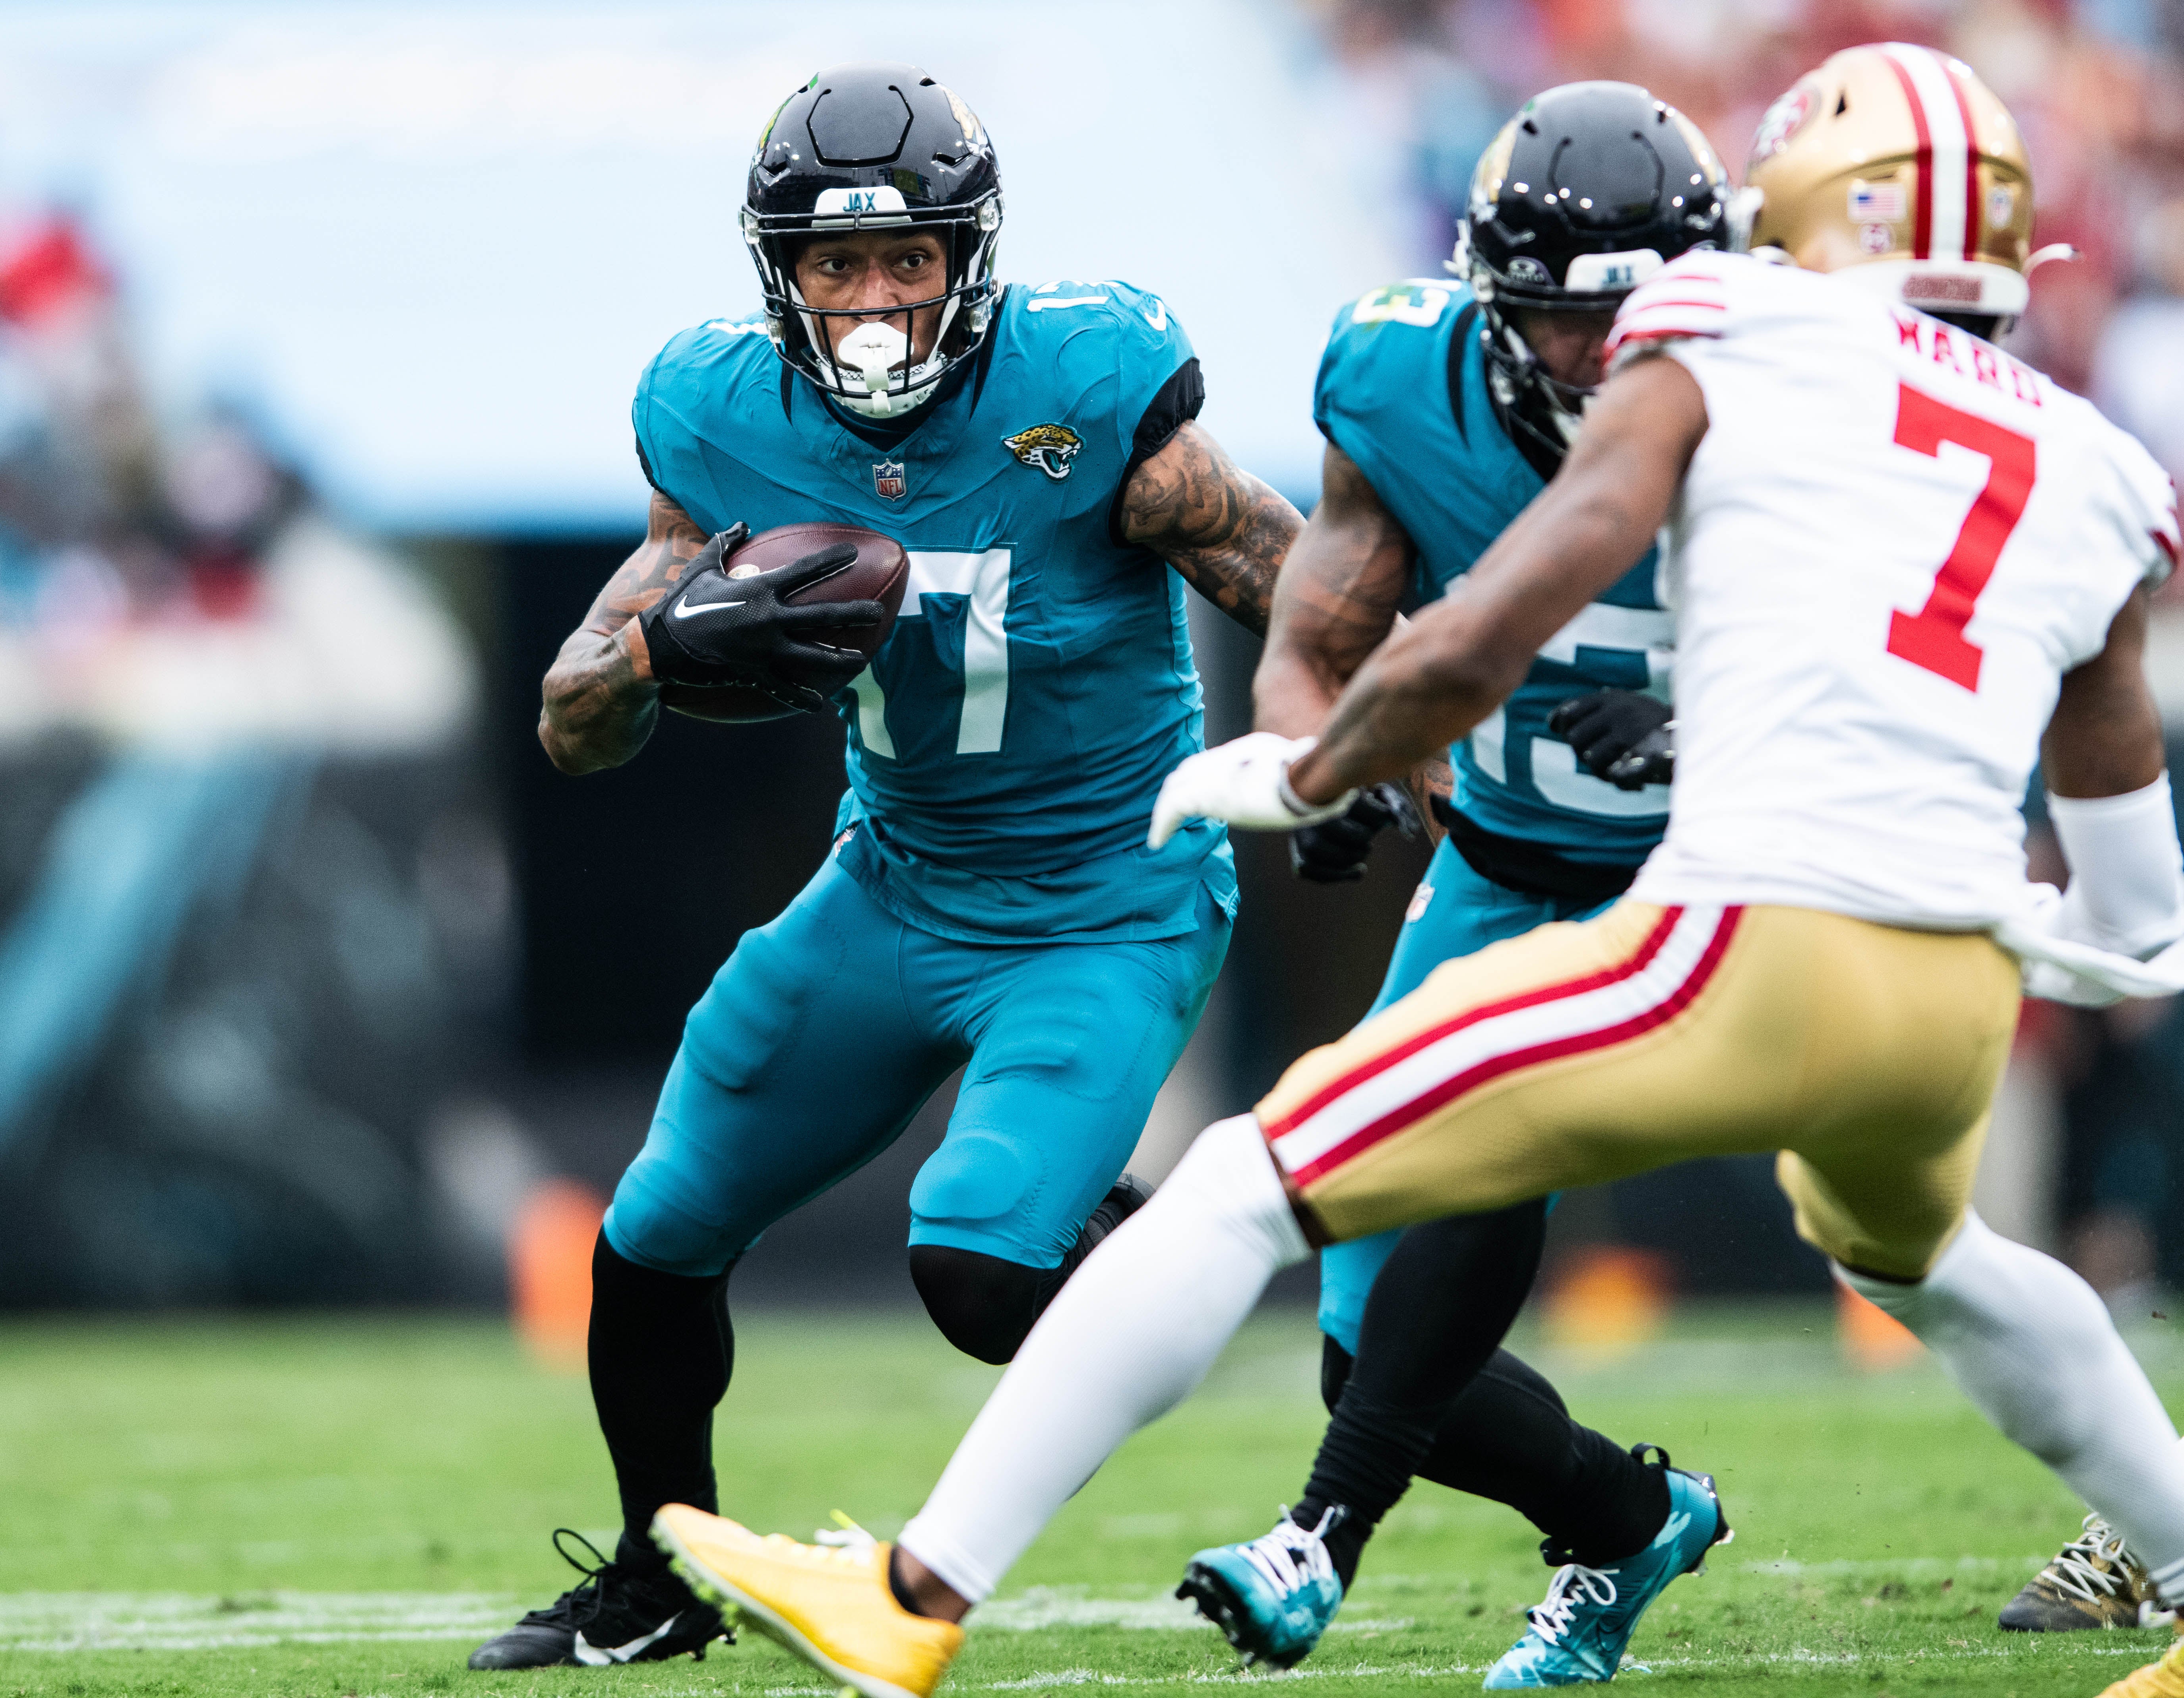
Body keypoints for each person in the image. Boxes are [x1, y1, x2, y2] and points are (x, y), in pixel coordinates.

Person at [644, 46, 2184, 1698]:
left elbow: (1483, 636)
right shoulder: (2092, 462)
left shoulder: (1729, 352)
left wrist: (1309, 766)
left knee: (1249, 1183)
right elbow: (2135, 905)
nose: (1600, 344)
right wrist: (2048, 936)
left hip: (1729, 929)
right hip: (1932, 971)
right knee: (1922, 1262)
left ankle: (922, 1591)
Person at [469, 62, 1304, 1672]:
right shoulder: (719, 420)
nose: (870, 300)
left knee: (982, 1275)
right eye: (835, 266)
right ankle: (653, 1583)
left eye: (906, 260)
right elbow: (575, 728)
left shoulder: (1091, 380)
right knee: (653, 1233)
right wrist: (655, 643)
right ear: (779, 274)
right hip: (897, 881)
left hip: (1105, 902)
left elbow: (1280, 565)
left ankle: (1211, 1242)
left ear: (967, 261)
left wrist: (1393, 731)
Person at [1174, 83, 1735, 1685]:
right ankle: (1628, 1520)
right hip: (1500, 875)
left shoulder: (1786, 394)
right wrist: (1318, 773)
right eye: (1560, 316)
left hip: (1723, 893)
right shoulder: (1401, 381)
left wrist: (1713, 730)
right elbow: (1314, 642)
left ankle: (1315, 1541)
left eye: (1632, 312)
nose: (1595, 355)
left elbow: (1893, 656)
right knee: (1369, 1350)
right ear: (1490, 292)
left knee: (1918, 1248)